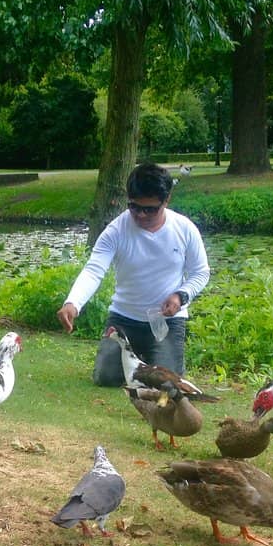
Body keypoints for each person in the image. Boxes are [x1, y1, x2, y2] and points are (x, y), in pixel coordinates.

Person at [57, 162, 211, 385]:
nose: (140, 215)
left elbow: (200, 272)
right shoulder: (115, 231)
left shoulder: (185, 229)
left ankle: (156, 359)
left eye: (150, 209)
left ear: (166, 201)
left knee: (167, 385)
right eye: (134, 207)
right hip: (123, 319)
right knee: (105, 378)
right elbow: (94, 270)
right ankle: (139, 360)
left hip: (166, 322)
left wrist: (181, 295)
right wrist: (73, 303)